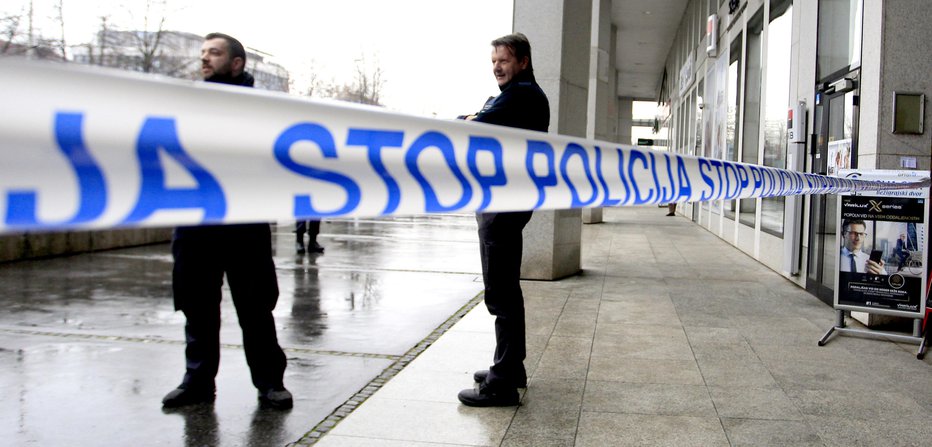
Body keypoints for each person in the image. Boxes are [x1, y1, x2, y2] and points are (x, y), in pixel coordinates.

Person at [162, 33, 292, 410]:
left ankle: (270, 382)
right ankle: (197, 381)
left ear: (237, 63)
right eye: (202, 53)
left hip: (243, 223)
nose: (205, 59)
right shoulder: (186, 102)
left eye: (214, 53)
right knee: (196, 307)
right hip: (194, 222)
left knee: (255, 309)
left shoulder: (260, 107)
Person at [457, 33, 549, 407]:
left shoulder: (521, 96)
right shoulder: (518, 95)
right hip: (506, 201)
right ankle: (512, 367)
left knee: (501, 293)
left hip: (503, 206)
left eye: (504, 60)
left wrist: (469, 117)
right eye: (494, 61)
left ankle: (502, 383)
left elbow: (470, 126)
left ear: (523, 62)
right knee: (507, 289)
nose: (497, 67)